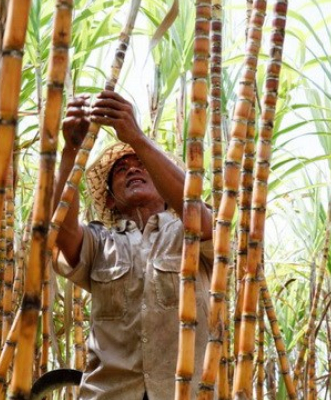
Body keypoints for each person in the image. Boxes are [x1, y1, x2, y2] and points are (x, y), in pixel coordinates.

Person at [53, 90, 214, 400]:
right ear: (111, 197)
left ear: (162, 183)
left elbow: (202, 220)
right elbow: (62, 232)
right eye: (121, 169)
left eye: (142, 165)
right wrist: (71, 149)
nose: (132, 169)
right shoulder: (101, 243)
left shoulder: (190, 232)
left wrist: (137, 138)